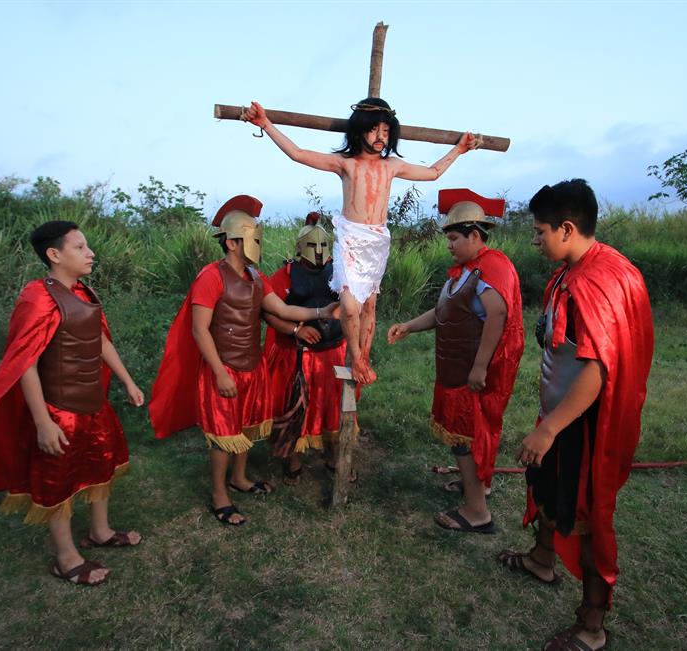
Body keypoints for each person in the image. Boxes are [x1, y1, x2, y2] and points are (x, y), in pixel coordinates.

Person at [0, 221, 145, 587]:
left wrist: (127, 381)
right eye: (80, 247)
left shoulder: (84, 292)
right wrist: (43, 422)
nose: (90, 253)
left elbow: (101, 340)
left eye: (87, 246)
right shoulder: (37, 298)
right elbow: (23, 361)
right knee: (56, 482)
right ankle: (66, 558)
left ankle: (101, 531)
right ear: (55, 254)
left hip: (93, 403)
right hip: (59, 408)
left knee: (102, 463)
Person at [497, 180, 653, 650]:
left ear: (567, 228)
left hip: (584, 424)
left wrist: (548, 429)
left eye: (541, 231)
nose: (536, 239)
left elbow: (597, 370)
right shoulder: (577, 267)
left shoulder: (596, 281)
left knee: (585, 515)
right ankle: (542, 560)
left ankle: (591, 627)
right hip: (563, 413)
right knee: (545, 486)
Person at [241, 98, 477, 385]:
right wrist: (266, 124)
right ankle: (356, 356)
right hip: (352, 239)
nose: (380, 137)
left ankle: (363, 357)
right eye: (374, 130)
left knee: (369, 307)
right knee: (350, 307)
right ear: (358, 131)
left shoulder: (391, 166)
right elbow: (299, 154)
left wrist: (459, 149)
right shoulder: (346, 164)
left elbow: (433, 173)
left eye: (386, 131)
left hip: (376, 242)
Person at [149, 196, 338, 526]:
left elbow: (281, 310)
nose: (258, 244)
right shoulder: (210, 276)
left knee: (248, 427)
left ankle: (240, 478)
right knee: (224, 433)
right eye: (253, 238)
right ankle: (219, 494)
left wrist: (323, 312)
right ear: (234, 242)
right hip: (223, 368)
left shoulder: (255, 276)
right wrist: (220, 372)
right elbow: (199, 330)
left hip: (253, 366)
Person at [387, 189, 524, 533]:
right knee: (462, 435)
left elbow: (497, 315)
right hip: (457, 368)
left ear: (475, 236)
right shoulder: (466, 270)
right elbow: (444, 312)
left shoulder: (492, 266)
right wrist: (409, 326)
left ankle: (477, 512)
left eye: (453, 238)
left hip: (471, 373)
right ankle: (475, 486)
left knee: (466, 437)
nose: (448, 245)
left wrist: (480, 367)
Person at [263, 212, 349, 485]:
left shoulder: (339, 272)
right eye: (312, 245)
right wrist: (297, 330)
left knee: (334, 408)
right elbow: (268, 312)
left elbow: (353, 304)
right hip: (296, 355)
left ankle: (334, 457)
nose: (319, 251)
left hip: (333, 351)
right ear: (299, 248)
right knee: (294, 408)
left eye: (324, 245)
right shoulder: (284, 275)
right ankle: (293, 460)